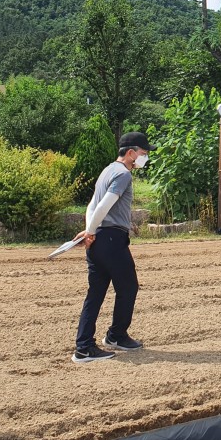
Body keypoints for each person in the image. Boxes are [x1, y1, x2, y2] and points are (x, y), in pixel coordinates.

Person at [71, 131, 154, 363]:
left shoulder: (107, 170)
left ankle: (84, 347)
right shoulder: (123, 174)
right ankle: (116, 335)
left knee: (95, 293)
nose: (144, 158)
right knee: (129, 287)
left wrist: (90, 231)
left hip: (98, 240)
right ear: (130, 153)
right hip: (110, 240)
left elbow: (92, 204)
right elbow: (105, 205)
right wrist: (90, 231)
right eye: (143, 154)